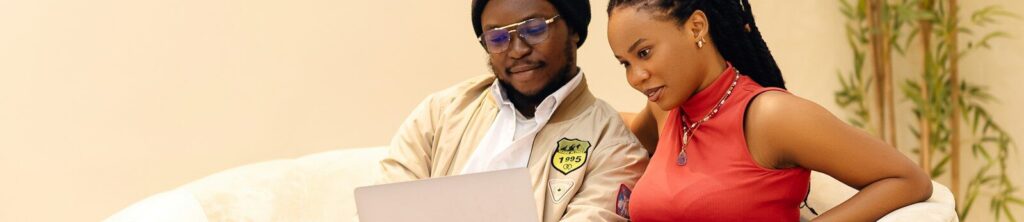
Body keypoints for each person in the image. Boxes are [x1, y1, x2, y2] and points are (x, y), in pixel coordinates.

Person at [605, 0, 933, 221]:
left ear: (695, 28)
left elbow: (906, 179)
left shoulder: (769, 116)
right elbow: (620, 136)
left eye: (644, 53)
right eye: (625, 63)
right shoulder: (665, 111)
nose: (636, 77)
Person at [377, 0, 649, 221]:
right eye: (497, 37)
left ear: (574, 30)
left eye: (533, 29)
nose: (516, 50)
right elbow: (384, 207)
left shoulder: (613, 145)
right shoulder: (439, 113)